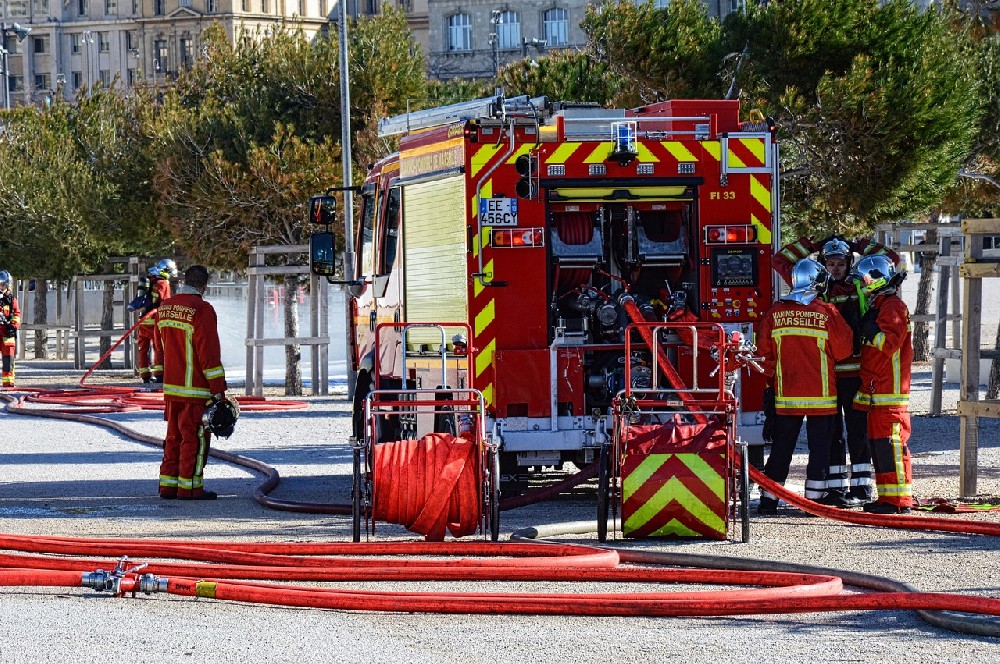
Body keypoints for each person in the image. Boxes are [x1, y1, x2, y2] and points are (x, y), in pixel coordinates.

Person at [774, 234, 899, 506]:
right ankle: (835, 489)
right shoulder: (815, 287)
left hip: (855, 371)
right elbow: (780, 260)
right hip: (827, 375)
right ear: (823, 265)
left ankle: (862, 489)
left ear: (848, 263)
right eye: (830, 263)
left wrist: (861, 245)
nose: (835, 268)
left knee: (857, 432)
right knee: (831, 436)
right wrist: (812, 244)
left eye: (840, 263)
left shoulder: (861, 284)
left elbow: (891, 260)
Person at [756, 258, 854, 514]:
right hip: (822, 397)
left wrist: (774, 379)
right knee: (819, 450)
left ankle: (769, 501)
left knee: (780, 449)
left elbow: (763, 353)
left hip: (786, 396)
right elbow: (844, 350)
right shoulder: (826, 312)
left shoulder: (776, 312)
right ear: (818, 283)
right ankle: (813, 502)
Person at [154, 265, 227, 500]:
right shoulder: (201, 309)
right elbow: (209, 354)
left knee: (173, 437)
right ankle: (190, 488)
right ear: (204, 286)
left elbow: (160, 346)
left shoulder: (166, 307)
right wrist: (218, 390)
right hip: (195, 388)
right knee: (194, 439)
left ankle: (168, 485)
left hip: (172, 387)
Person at [851, 255, 914, 514]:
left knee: (892, 447)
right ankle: (887, 498)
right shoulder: (880, 305)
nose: (861, 287)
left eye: (863, 282)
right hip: (878, 391)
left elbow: (888, 344)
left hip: (890, 393)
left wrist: (871, 332)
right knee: (880, 448)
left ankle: (900, 501)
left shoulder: (893, 307)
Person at [132, 259, 177, 384]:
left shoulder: (150, 281)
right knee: (159, 347)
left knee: (143, 348)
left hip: (143, 319)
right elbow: (165, 302)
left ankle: (145, 375)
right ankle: (159, 375)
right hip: (155, 321)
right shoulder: (163, 283)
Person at [0, 271, 21, 388]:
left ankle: (8, 385)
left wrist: (13, 326)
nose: (0, 287)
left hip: (7, 332)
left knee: (8, 360)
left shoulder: (12, 300)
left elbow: (17, 314)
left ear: (7, 285)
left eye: (2, 285)